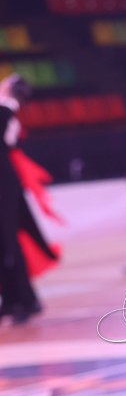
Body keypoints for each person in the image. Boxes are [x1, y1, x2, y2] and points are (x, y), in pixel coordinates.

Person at [0, 74, 59, 325]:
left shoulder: (5, 111)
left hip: (3, 183)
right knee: (6, 243)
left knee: (8, 244)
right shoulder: (7, 113)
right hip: (7, 181)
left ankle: (22, 301)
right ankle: (16, 300)